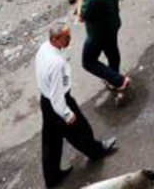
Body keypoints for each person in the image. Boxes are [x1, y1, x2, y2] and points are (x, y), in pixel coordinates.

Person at [37, 22, 118, 187]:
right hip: (59, 102)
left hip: (46, 102)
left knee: (51, 141)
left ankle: (52, 177)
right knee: (80, 128)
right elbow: (57, 96)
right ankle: (96, 151)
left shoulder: (44, 48)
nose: (70, 40)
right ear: (55, 38)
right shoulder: (56, 63)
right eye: (66, 38)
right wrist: (67, 114)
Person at [75, 0, 132, 99]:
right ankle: (113, 79)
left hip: (98, 34)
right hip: (113, 23)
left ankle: (119, 80)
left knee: (88, 62)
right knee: (112, 51)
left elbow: (81, 17)